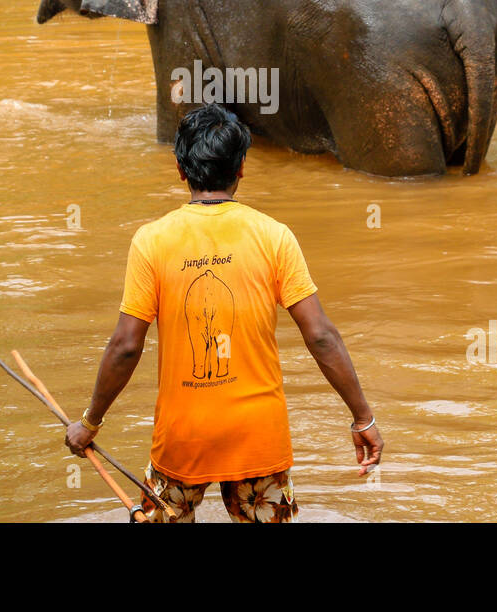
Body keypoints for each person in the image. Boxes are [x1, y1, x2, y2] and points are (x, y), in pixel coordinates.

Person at [65, 102, 383, 522]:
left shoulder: (151, 241)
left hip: (184, 438)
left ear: (181, 169)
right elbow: (321, 335)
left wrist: (91, 422)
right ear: (242, 168)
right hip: (257, 436)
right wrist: (362, 418)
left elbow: (126, 346)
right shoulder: (274, 236)